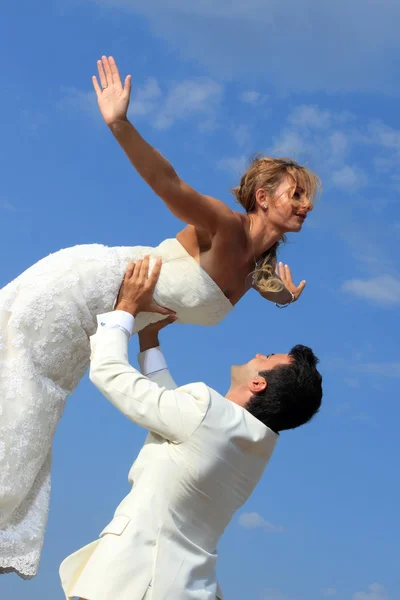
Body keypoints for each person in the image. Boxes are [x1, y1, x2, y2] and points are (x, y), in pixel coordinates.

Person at [0, 55, 320, 579]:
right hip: (84, 287)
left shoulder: (258, 269)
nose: (306, 205)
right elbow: (171, 186)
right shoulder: (227, 227)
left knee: (34, 400)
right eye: (296, 194)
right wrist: (120, 123)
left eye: (308, 197)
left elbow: (262, 288)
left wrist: (283, 299)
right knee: (25, 394)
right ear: (263, 198)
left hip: (110, 317)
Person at [59, 257, 323, 600]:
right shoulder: (256, 447)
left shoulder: (207, 415)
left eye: (268, 356)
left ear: (259, 383)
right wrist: (149, 340)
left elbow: (109, 374)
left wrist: (124, 310)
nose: (258, 353)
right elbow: (175, 414)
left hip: (139, 584)